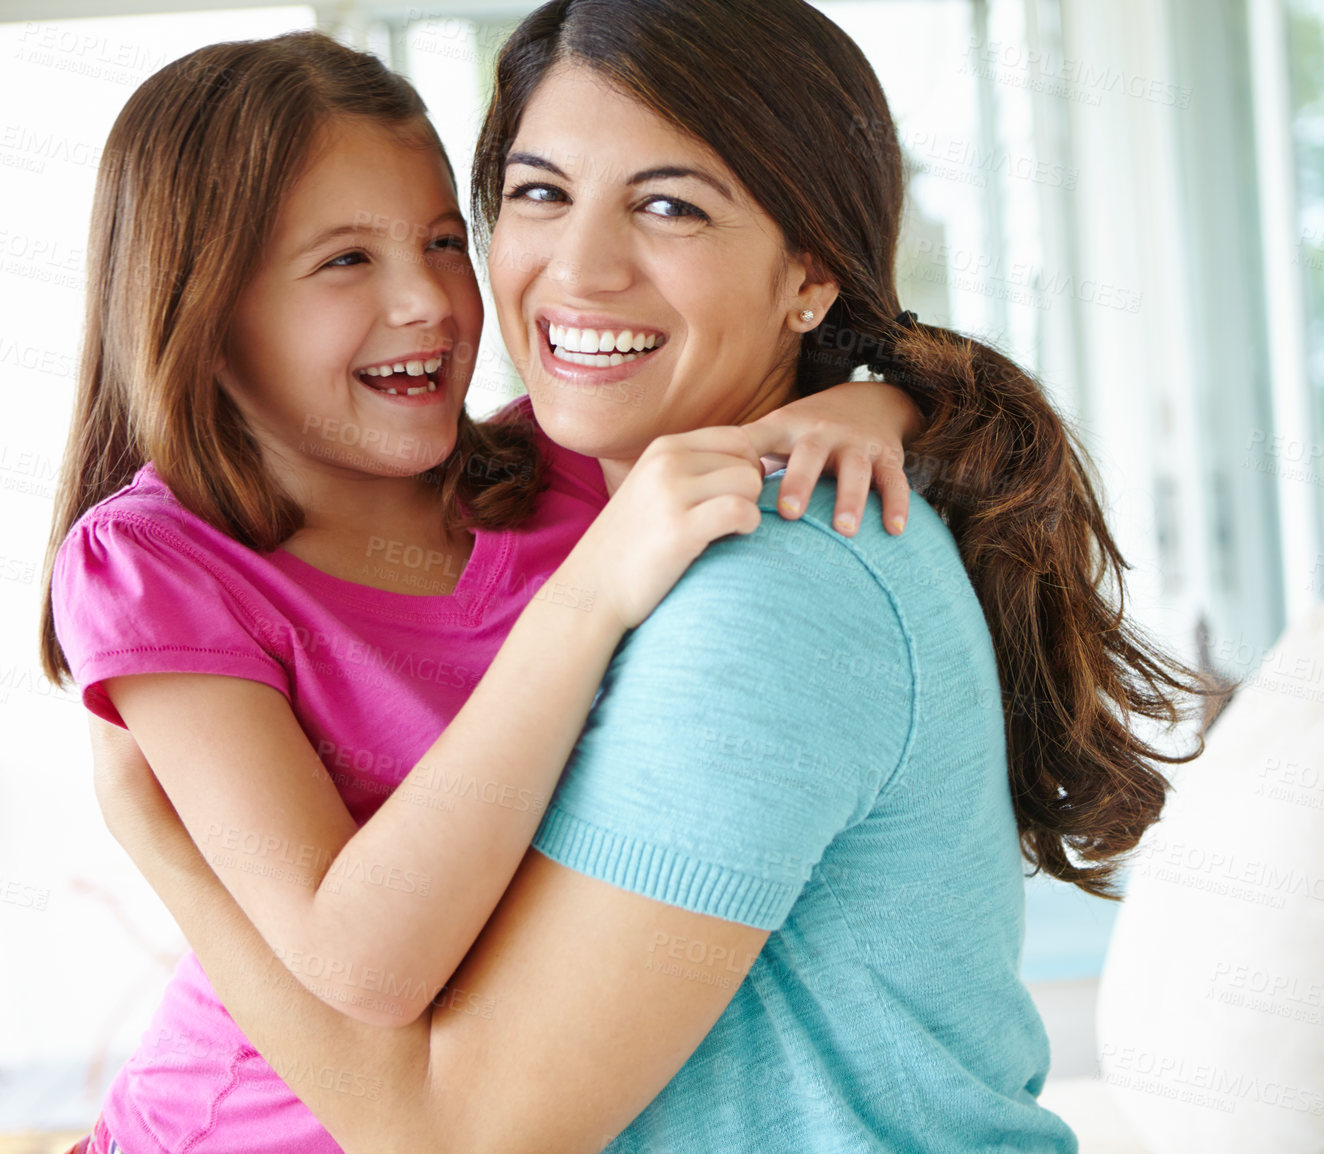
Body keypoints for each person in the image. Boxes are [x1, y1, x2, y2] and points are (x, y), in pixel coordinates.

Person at [88, 1, 1226, 1150]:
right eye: (539, 193)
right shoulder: (612, 482)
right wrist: (863, 396)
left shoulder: (750, 569)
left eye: (670, 206)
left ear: (811, 274)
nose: (576, 268)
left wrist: (167, 848)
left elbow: (464, 1135)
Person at [42, 30, 924, 1154]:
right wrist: (587, 598)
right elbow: (365, 964)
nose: (428, 301)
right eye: (345, 261)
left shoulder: (555, 471)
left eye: (443, 241)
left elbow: (821, 382)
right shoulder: (158, 567)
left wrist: (868, 407)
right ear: (207, 310)